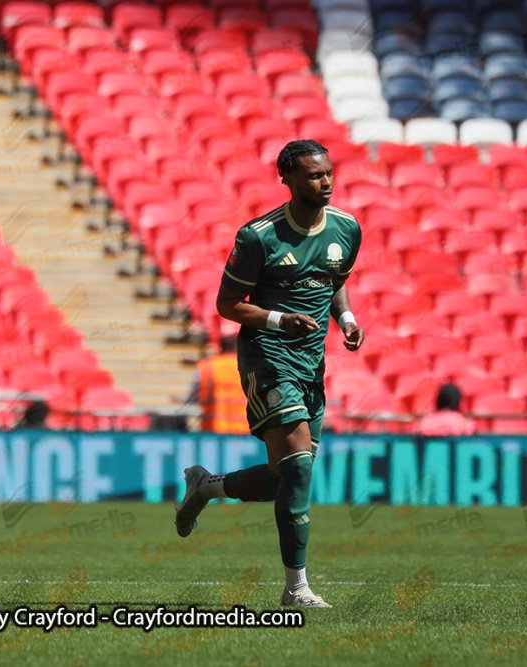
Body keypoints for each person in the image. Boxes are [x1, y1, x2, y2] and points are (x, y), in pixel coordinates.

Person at [174, 140, 364, 609]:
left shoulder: (347, 228)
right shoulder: (259, 237)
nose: (326, 182)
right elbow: (227, 305)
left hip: (311, 363)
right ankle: (296, 588)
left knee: (286, 480)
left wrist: (347, 320)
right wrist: (279, 320)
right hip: (267, 356)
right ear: (288, 180)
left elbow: (335, 281)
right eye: (314, 175)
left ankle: (206, 487)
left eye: (328, 172)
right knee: (298, 467)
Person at [193, 335, 246, 434]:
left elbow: (195, 396)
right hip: (242, 429)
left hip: (213, 429)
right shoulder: (246, 366)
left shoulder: (206, 365)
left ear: (220, 347)